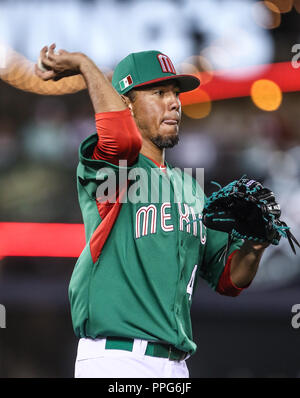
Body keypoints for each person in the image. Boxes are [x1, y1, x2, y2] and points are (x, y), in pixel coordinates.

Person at [35, 44, 269, 378]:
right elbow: (119, 140)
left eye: (175, 93)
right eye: (158, 92)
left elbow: (229, 279)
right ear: (126, 104)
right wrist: (87, 66)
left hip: (175, 366)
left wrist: (255, 243)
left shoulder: (191, 188)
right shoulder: (114, 170)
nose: (174, 102)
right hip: (116, 359)